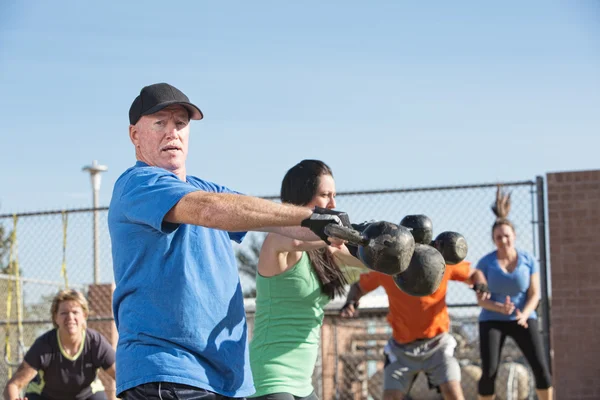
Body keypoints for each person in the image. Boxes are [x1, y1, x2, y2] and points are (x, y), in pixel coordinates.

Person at [108, 83, 348, 400]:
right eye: (159, 123)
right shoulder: (138, 184)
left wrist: (354, 234)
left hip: (224, 379)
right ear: (134, 135)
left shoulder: (206, 188)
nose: (172, 133)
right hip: (167, 372)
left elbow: (282, 224)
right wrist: (310, 218)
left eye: (180, 124)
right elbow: (211, 210)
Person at [249, 160, 365, 400]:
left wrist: (402, 251)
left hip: (302, 382)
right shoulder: (277, 240)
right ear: (302, 198)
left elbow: (368, 266)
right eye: (325, 195)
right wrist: (338, 235)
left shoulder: (326, 251)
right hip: (270, 377)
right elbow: (295, 240)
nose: (333, 204)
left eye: (334, 195)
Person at [341, 255, 489, 400]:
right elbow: (359, 287)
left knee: (452, 391)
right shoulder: (388, 269)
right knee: (391, 396)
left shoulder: (441, 263)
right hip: (401, 348)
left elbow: (474, 273)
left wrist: (481, 285)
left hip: (438, 344)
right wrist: (350, 302)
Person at [476, 187, 553, 400]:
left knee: (541, 370)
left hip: (524, 318)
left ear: (514, 236)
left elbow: (535, 293)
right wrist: (499, 308)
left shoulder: (529, 261)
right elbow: (481, 300)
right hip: (492, 320)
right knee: (489, 373)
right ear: (493, 239)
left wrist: (524, 314)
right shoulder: (485, 263)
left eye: (507, 236)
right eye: (498, 237)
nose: (503, 240)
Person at [2, 289, 116, 400]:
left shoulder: (95, 343)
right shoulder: (44, 345)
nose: (70, 317)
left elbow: (121, 376)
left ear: (84, 316)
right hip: (45, 395)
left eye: (75, 312)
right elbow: (13, 385)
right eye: (64, 313)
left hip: (86, 394)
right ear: (55, 317)